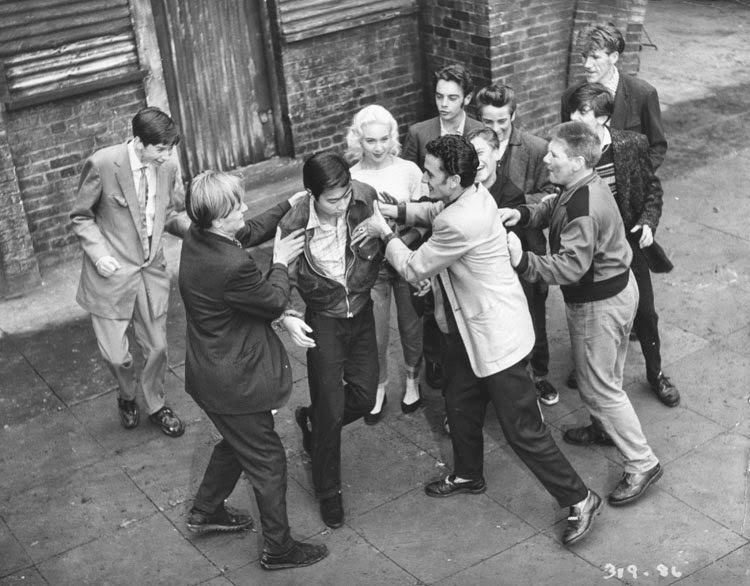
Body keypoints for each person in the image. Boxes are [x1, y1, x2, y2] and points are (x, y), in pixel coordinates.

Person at [354, 135, 601, 546]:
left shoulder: (460, 220)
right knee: (460, 402)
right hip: (467, 330)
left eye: (431, 174)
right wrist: (396, 209)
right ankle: (468, 473)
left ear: (453, 179)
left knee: (523, 429)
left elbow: (415, 267)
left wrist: (384, 230)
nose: (426, 179)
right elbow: (433, 208)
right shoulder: (470, 193)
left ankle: (579, 498)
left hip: (494, 336)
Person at [501, 122, 663, 507]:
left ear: (575, 161)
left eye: (553, 154)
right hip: (620, 291)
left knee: (599, 388)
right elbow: (554, 207)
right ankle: (604, 429)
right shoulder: (583, 184)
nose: (546, 158)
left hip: (598, 306)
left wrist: (523, 260)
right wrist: (523, 215)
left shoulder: (582, 206)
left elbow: (569, 267)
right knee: (609, 377)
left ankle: (642, 462)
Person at [178, 171, 328, 571]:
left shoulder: (199, 236)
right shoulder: (232, 266)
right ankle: (279, 550)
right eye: (236, 206)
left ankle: (206, 510)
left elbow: (249, 229)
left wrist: (287, 205)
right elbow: (272, 299)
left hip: (209, 370)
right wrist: (280, 261)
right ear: (216, 217)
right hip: (233, 380)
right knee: (267, 459)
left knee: (237, 441)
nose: (244, 209)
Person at [278, 152, 384, 529]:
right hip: (324, 319)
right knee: (331, 408)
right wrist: (288, 314)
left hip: (362, 310)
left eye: (346, 195)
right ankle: (329, 492)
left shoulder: (365, 197)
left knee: (365, 398)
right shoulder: (293, 222)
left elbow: (391, 236)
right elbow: (283, 274)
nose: (342, 205)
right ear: (312, 195)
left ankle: (313, 420)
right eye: (332, 200)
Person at [70, 107, 189, 437]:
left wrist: (199, 230)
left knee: (158, 348)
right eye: (161, 149)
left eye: (170, 149)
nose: (167, 156)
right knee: (116, 357)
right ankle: (126, 396)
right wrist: (98, 254)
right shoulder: (104, 163)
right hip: (110, 275)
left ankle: (155, 404)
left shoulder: (167, 167)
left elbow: (171, 213)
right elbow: (81, 216)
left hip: (150, 272)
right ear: (139, 142)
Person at [567, 83, 679, 410]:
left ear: (603, 118)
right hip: (589, 245)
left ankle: (655, 373)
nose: (574, 118)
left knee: (644, 312)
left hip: (627, 241)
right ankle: (589, 367)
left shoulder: (630, 145)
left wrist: (647, 221)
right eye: (573, 111)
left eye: (582, 113)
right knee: (588, 311)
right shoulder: (569, 149)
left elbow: (652, 192)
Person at [472, 84, 558, 405]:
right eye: (487, 122)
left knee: (533, 311)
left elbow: (554, 194)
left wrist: (520, 208)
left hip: (526, 245)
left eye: (501, 122)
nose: (494, 129)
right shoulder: (473, 146)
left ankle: (539, 375)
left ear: (514, 115)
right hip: (486, 252)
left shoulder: (535, 148)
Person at [402, 63, 484, 390]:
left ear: (467, 98)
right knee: (430, 299)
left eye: (452, 97)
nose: (444, 104)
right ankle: (434, 359)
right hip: (430, 231)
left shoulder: (479, 132)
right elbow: (412, 181)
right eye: (439, 96)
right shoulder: (419, 133)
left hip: (465, 229)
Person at [345, 105, 425, 423]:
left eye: (383, 139)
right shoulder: (350, 177)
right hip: (370, 264)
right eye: (369, 141)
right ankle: (378, 386)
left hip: (406, 257)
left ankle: (411, 380)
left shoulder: (409, 171)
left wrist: (400, 242)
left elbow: (425, 218)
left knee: (411, 325)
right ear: (358, 140)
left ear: (393, 137)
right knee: (374, 331)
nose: (377, 147)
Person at [561, 22, 667, 171]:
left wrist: (637, 179)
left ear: (614, 57)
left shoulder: (643, 93)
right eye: (584, 57)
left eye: (595, 57)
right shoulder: (570, 96)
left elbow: (657, 147)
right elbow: (568, 145)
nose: (587, 64)